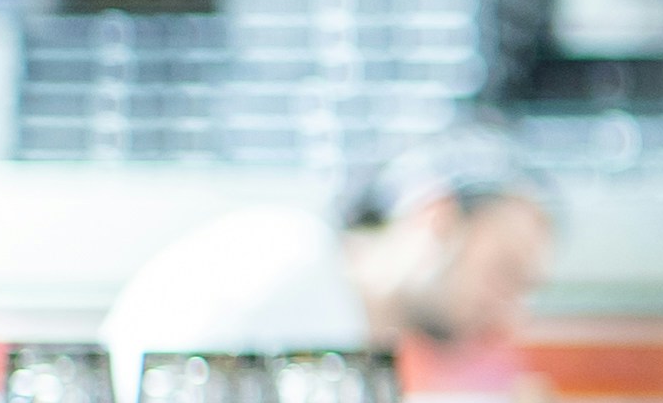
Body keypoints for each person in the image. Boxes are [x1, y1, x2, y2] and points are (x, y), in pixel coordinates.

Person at [103, 133, 558, 374]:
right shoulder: (281, 270)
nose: (510, 315)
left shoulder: (343, 321)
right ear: (436, 219)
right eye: (504, 271)